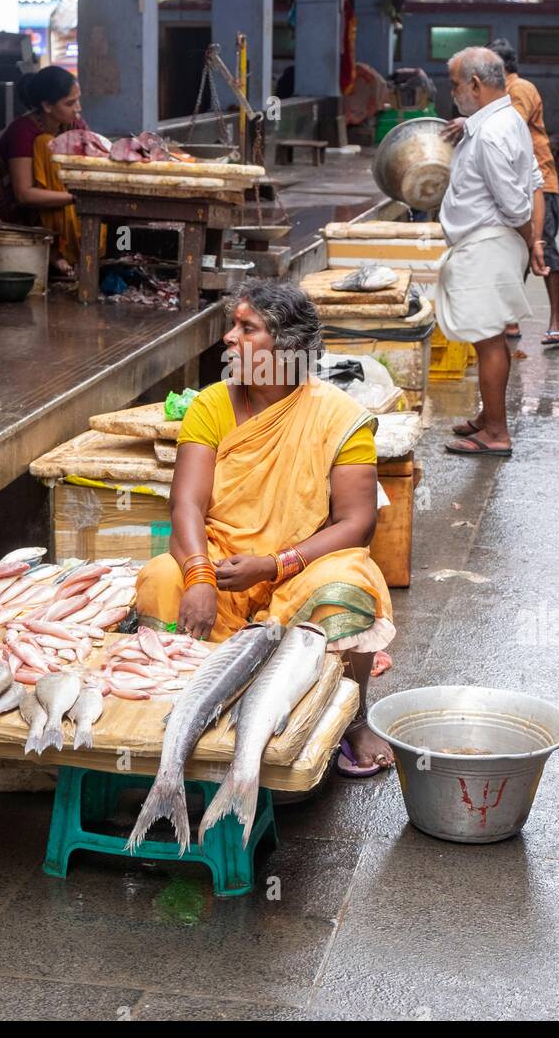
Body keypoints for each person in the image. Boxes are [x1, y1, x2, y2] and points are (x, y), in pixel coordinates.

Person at [134, 279, 396, 777]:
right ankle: (183, 715)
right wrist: (199, 577)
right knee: (160, 580)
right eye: (233, 326)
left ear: (287, 347)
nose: (230, 338)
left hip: (299, 565)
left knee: (350, 582)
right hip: (224, 565)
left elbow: (358, 522)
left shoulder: (341, 418)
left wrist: (277, 564)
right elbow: (186, 504)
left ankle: (353, 717)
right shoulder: (212, 405)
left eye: (246, 328)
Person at [437, 48, 546, 457]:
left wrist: (532, 242)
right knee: (494, 337)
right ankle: (488, 417)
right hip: (492, 244)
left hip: (488, 245)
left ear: (476, 85)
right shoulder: (505, 119)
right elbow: (533, 179)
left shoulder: (494, 131)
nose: (453, 94)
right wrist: (532, 242)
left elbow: (516, 204)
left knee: (487, 341)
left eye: (454, 85)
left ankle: (496, 433)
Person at [0, 66, 92, 277]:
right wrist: (75, 198)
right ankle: (55, 250)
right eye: (70, 103)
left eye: (78, 99)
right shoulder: (23, 130)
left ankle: (71, 249)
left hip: (52, 196)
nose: (78, 108)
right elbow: (24, 194)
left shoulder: (74, 125)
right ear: (47, 106)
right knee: (46, 144)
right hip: (3, 201)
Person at [487, 38, 559, 348]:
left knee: (544, 247)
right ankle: (510, 317)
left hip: (539, 183)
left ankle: (556, 319)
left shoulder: (519, 89)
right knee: (515, 250)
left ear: (500, 67)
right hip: (514, 183)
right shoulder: (500, 94)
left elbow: (509, 127)